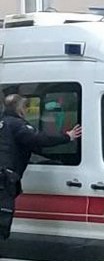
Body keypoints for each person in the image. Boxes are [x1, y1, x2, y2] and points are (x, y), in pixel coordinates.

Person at [0, 94, 83, 239]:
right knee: (2, 224)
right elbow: (39, 139)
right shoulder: (17, 125)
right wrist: (67, 137)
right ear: (20, 109)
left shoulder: (3, 123)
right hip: (4, 181)